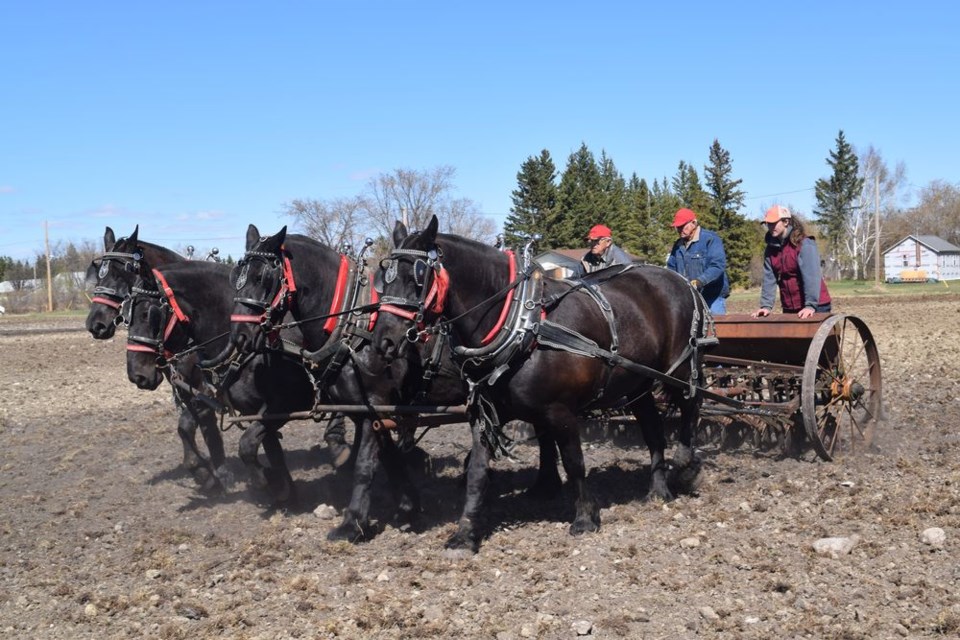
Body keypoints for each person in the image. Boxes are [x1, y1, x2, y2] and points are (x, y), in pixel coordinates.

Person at [752, 205, 832, 319]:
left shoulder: (805, 244)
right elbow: (769, 279)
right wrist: (766, 306)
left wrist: (810, 305)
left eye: (774, 223)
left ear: (785, 222)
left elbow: (812, 277)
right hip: (790, 307)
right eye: (768, 224)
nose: (770, 227)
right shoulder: (770, 249)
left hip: (815, 305)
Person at [666, 208, 730, 315]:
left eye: (683, 226)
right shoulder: (677, 246)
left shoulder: (711, 239)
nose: (680, 229)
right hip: (687, 299)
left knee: (716, 329)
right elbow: (671, 270)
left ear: (694, 223)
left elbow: (717, 266)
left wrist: (700, 281)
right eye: (678, 227)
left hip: (712, 297)